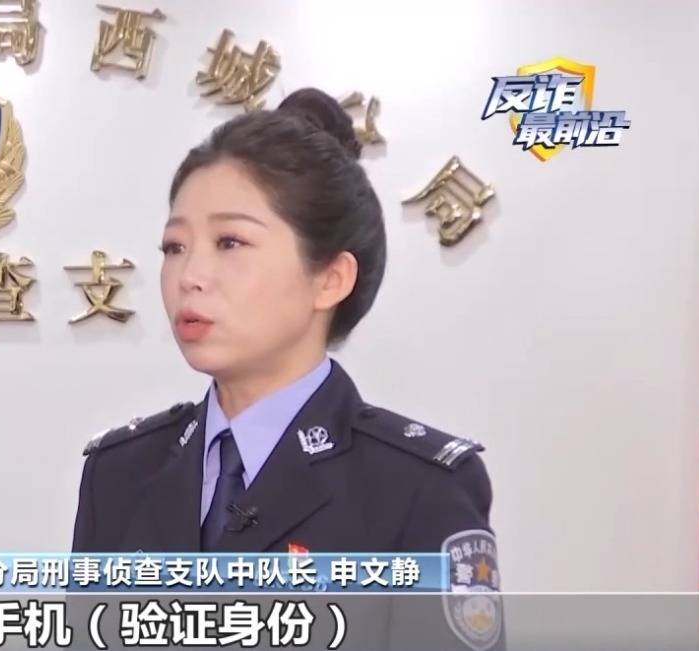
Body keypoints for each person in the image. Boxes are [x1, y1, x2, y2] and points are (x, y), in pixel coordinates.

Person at [71, 88, 502, 651]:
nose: (189, 276)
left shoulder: (420, 487)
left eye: (230, 242)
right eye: (174, 247)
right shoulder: (120, 473)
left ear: (330, 279)